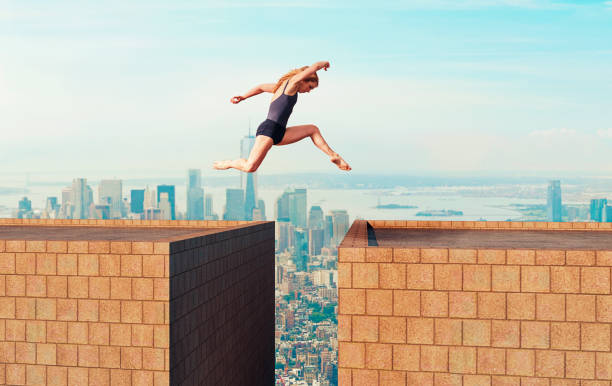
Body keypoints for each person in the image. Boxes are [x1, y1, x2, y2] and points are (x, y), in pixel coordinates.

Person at [213, 60, 351, 172]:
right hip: (268, 129)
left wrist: (243, 96)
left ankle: (334, 155)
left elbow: (261, 87)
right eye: (310, 87)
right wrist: (324, 63)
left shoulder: (280, 87)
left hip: (281, 131)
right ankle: (228, 163)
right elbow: (314, 67)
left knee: (312, 129)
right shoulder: (292, 84)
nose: (309, 91)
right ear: (303, 80)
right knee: (250, 167)